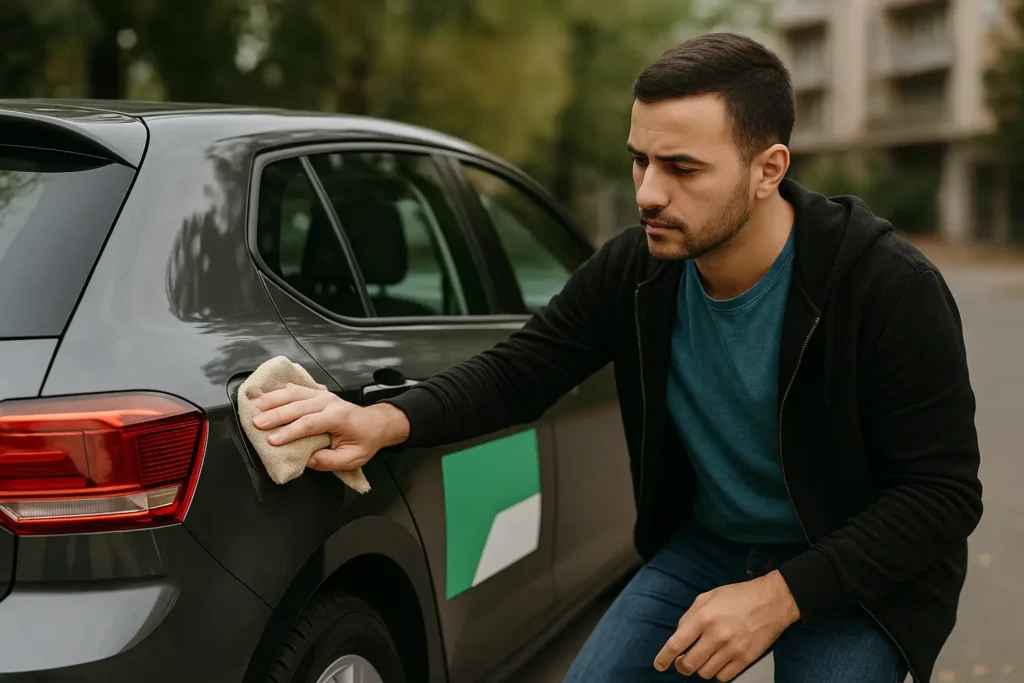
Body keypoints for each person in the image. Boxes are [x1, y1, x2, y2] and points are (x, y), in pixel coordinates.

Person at [250, 32, 982, 683]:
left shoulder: (886, 286)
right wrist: (383, 421)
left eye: (683, 168)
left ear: (769, 168)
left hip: (850, 567)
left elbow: (942, 496)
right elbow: (520, 370)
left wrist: (779, 596)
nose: (649, 193)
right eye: (639, 161)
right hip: (712, 544)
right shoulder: (635, 269)